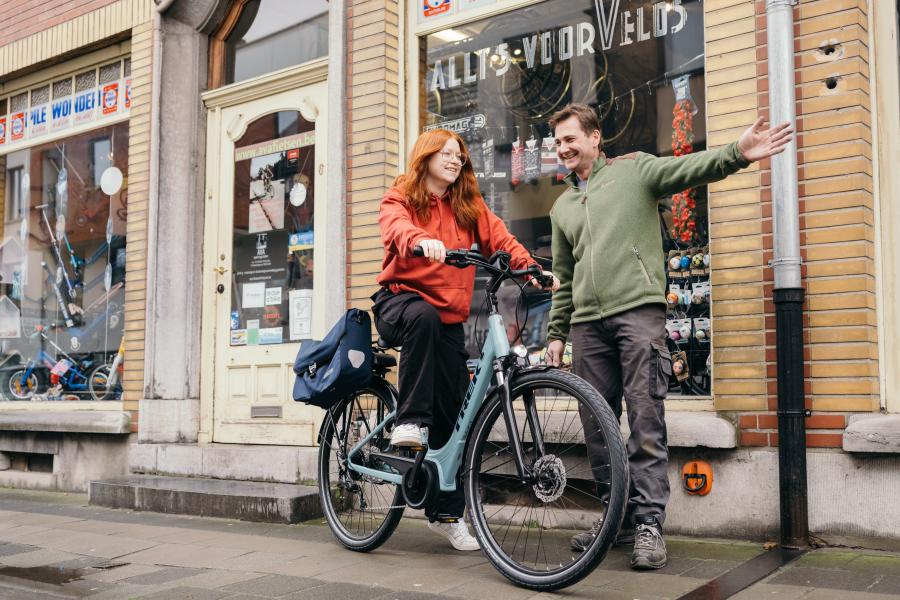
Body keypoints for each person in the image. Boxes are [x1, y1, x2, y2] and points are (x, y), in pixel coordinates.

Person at [544, 103, 792, 570]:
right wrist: (558, 333)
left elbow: (690, 168)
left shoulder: (635, 170)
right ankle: (613, 519)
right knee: (597, 429)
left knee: (644, 421)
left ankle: (648, 525)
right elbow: (563, 274)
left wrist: (738, 152)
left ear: (595, 138)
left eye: (570, 138)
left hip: (638, 313)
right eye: (556, 142)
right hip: (586, 327)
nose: (563, 148)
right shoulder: (561, 208)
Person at [373, 128, 560, 552]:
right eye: (447, 153)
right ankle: (410, 421)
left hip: (448, 320)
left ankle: (447, 514)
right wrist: (421, 242)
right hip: (400, 304)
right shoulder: (401, 195)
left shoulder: (467, 206)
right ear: (426, 155)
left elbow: (501, 239)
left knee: (458, 415)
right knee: (423, 317)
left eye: (460, 155)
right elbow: (395, 229)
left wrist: (531, 268)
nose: (456, 160)